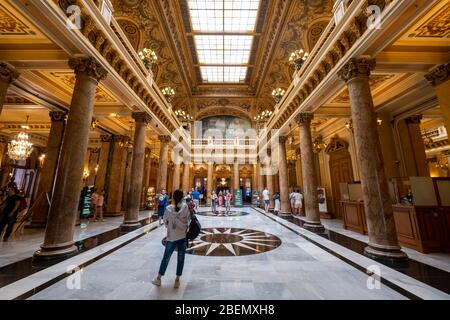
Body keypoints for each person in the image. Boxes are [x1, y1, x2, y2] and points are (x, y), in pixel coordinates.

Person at [152, 189, 193, 288]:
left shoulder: (168, 209)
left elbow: (165, 223)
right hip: (182, 236)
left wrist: (171, 225)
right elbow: (189, 220)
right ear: (182, 197)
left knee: (166, 258)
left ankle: (159, 278)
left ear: (173, 198)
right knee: (181, 258)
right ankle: (177, 280)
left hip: (171, 237)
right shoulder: (185, 207)